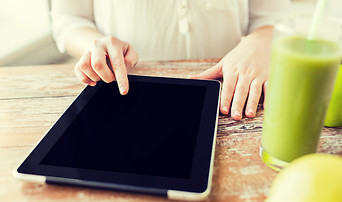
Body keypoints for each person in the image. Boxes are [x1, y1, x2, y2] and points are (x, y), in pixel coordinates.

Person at [51, 0, 289, 120]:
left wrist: (261, 41)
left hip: (229, 94)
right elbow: (69, 19)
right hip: (127, 99)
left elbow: (273, 18)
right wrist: (96, 46)